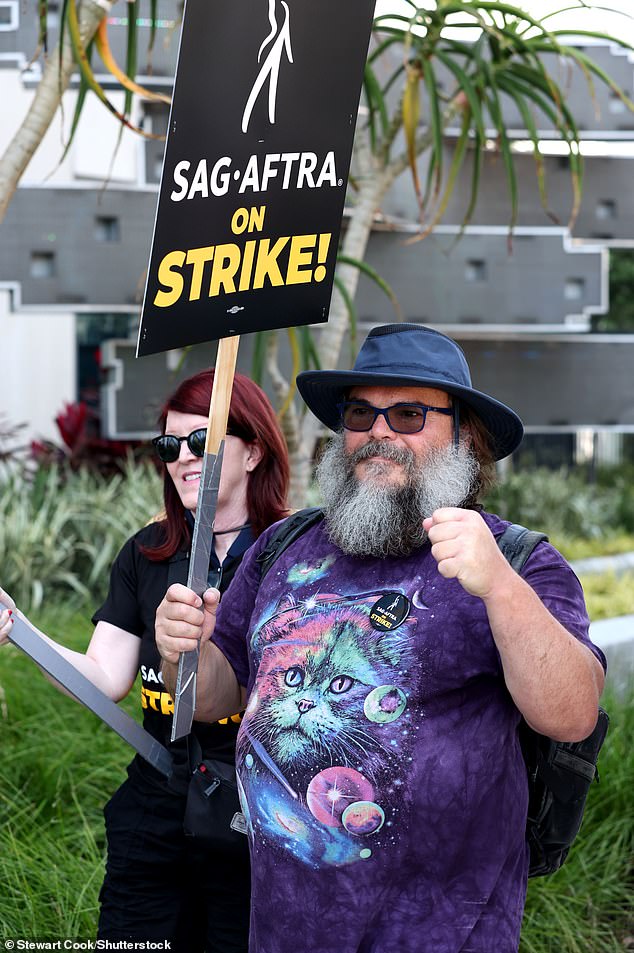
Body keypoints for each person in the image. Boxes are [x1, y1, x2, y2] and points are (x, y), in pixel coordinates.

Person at [154, 324, 606, 953]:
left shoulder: (518, 561)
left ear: (463, 435)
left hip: (444, 933)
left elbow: (570, 713)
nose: (380, 433)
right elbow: (217, 694)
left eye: (410, 413)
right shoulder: (282, 548)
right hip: (285, 930)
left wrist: (500, 588)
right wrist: (187, 650)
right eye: (363, 412)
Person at [0, 368, 290, 952]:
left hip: (256, 817)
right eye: (168, 444)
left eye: (201, 442)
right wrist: (18, 628)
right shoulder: (148, 551)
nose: (182, 457)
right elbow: (105, 677)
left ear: (254, 451)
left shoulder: (292, 554)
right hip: (156, 801)